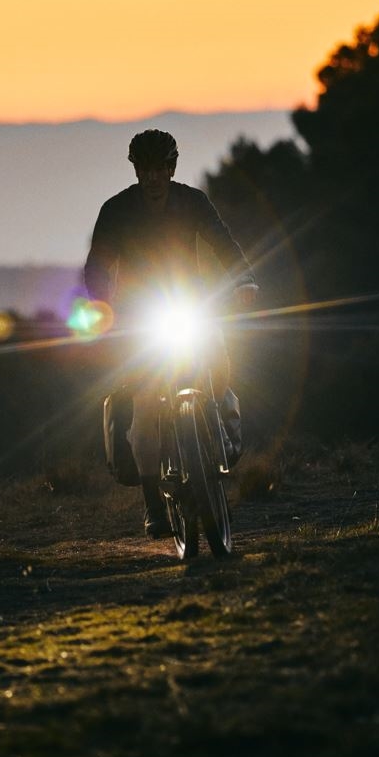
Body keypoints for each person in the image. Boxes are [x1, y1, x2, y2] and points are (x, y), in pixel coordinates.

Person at [84, 129, 258, 537]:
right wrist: (102, 303)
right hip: (138, 316)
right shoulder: (116, 210)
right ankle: (151, 503)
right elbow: (97, 265)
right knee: (145, 409)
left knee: (216, 362)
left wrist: (243, 279)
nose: (153, 178)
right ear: (137, 171)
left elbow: (224, 243)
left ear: (171, 169)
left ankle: (217, 431)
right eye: (145, 170)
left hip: (189, 303)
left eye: (160, 169)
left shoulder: (193, 202)